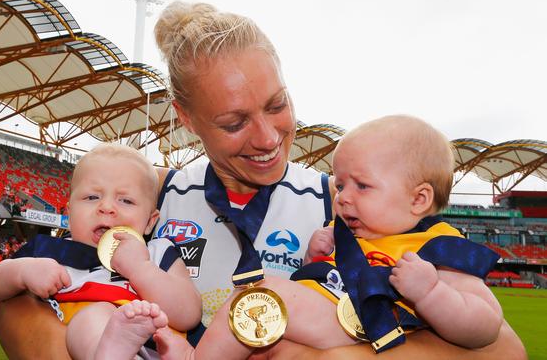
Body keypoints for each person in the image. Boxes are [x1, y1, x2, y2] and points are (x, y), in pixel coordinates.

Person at [0, 1, 526, 360]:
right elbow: (17, 311)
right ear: (185, 117)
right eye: (234, 122)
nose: (269, 137)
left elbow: (506, 349)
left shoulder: (340, 201)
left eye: (277, 105)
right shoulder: (145, 202)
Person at [154, 115, 504, 359]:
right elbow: (329, 283)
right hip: (336, 323)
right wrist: (312, 260)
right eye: (340, 184)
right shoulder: (349, 235)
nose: (344, 197)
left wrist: (431, 293)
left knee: (263, 296)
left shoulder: (438, 247)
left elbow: (485, 326)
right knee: (259, 304)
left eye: (362, 186)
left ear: (419, 199)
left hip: (372, 327)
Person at [0, 143, 201, 360]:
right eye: (92, 197)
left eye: (125, 200)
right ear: (70, 213)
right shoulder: (49, 250)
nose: (106, 207)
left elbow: (189, 314)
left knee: (101, 317)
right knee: (92, 318)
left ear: (150, 222)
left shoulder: (157, 252)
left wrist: (141, 268)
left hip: (152, 346)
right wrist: (22, 272)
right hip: (81, 340)